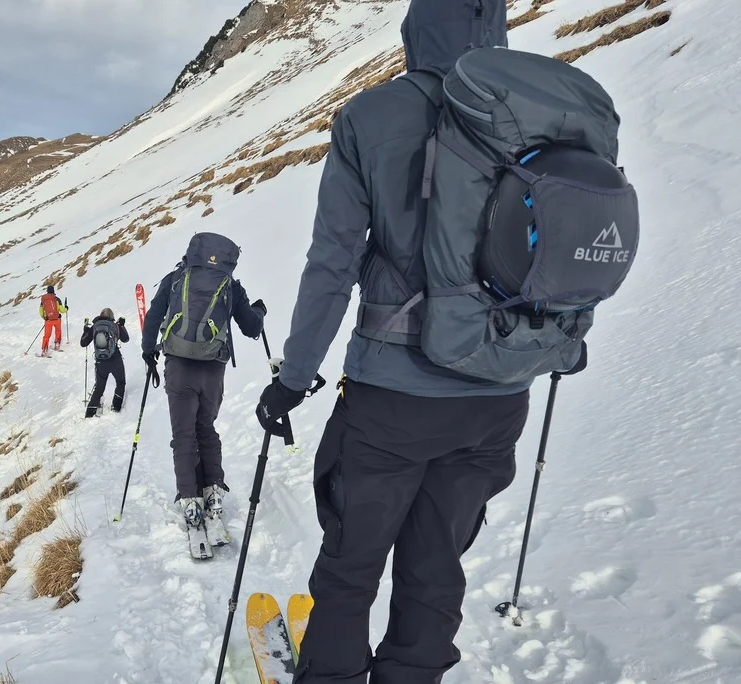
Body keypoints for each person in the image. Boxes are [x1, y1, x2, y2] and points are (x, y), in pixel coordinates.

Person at [252, 2, 589, 682]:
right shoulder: (544, 110)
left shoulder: (374, 117)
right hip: (499, 397)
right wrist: (560, 341)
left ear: (415, 31)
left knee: (352, 565)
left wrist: (294, 378)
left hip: (393, 397)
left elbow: (332, 265)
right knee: (437, 565)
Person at [141, 232, 264, 530]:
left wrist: (148, 352)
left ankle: (190, 500)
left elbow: (154, 316)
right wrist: (259, 311)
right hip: (212, 369)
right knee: (206, 428)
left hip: (179, 366)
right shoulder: (230, 287)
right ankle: (213, 493)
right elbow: (250, 327)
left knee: (183, 434)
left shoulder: (175, 278)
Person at [79, 308, 129, 417]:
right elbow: (126, 339)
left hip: (101, 362)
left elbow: (83, 343)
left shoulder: (95, 326)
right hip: (116, 360)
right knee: (120, 382)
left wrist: (86, 331)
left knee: (99, 387)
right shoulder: (115, 326)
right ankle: (116, 407)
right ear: (112, 316)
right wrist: (121, 325)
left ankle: (90, 413)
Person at [37, 285, 67, 357]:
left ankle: (44, 350)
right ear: (53, 291)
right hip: (57, 319)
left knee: (47, 336)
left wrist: (45, 317)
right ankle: (57, 344)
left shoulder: (44, 299)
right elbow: (62, 310)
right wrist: (66, 308)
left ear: (47, 291)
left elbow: (40, 310)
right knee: (58, 331)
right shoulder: (56, 299)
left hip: (48, 320)